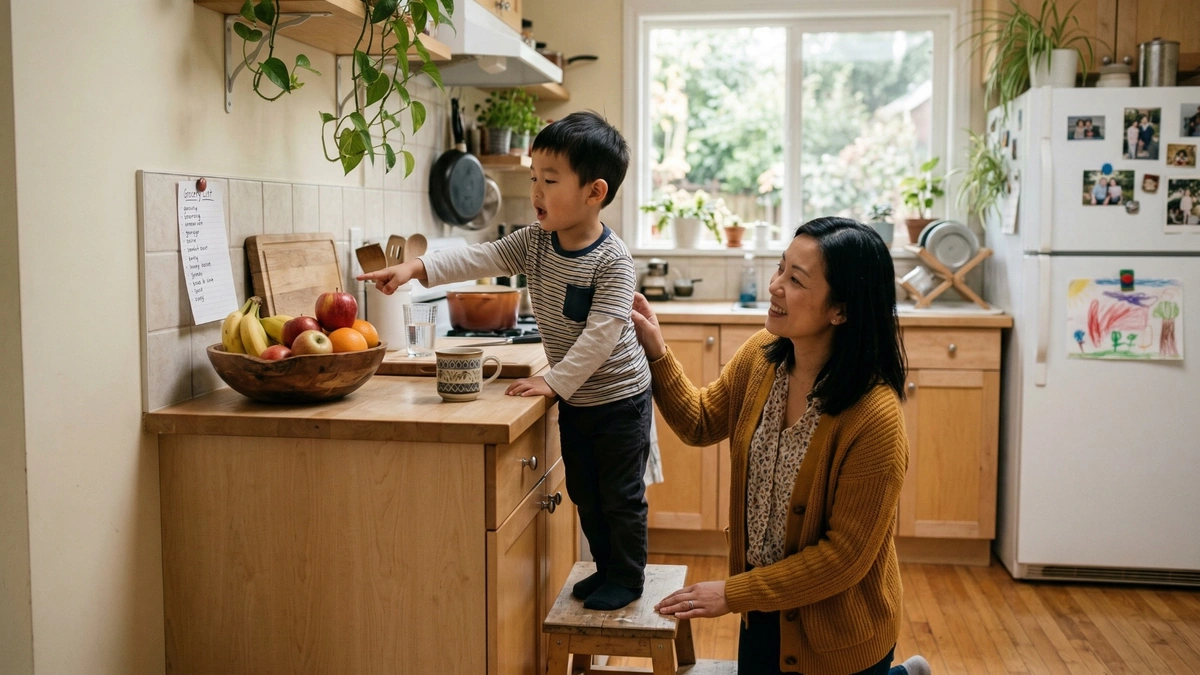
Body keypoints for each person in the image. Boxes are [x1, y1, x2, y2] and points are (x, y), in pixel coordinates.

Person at [360, 111, 654, 611]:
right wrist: (414, 268)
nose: (535, 190)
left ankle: (627, 578)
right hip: (576, 397)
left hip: (619, 400)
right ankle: (607, 569)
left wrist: (553, 382)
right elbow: (478, 257)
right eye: (533, 177)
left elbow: (602, 336)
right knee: (585, 489)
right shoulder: (535, 242)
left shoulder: (613, 260)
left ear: (595, 192)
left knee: (619, 497)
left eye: (550, 180)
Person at [631, 217, 929, 675]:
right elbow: (700, 421)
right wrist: (656, 348)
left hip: (841, 633)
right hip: (763, 613)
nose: (775, 286)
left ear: (841, 310)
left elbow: (842, 559)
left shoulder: (874, 417)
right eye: (779, 269)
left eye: (796, 279)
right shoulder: (761, 357)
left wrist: (730, 594)